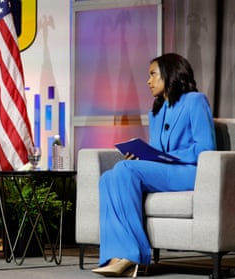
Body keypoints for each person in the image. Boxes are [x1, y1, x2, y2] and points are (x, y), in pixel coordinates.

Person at [92, 53, 215, 277]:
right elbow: (157, 151)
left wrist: (170, 156)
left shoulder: (195, 101)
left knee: (123, 170)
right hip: (165, 171)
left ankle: (132, 255)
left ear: (170, 74)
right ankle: (115, 255)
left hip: (189, 172)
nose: (148, 81)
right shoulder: (156, 112)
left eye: (153, 75)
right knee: (108, 177)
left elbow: (206, 147)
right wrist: (142, 156)